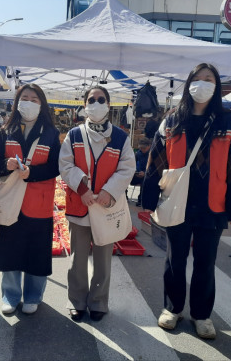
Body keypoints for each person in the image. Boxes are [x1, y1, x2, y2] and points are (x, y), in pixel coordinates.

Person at [142, 63, 231, 339]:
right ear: (189, 84)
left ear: (217, 86)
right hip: (178, 202)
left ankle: (202, 315)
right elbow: (156, 159)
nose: (203, 83)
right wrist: (149, 198)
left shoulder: (229, 122)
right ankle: (172, 308)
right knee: (174, 260)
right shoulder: (172, 120)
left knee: (205, 263)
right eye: (197, 79)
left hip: (213, 205)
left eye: (209, 79)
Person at [59, 86, 135, 322]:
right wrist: (82, 189)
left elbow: (127, 167)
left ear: (108, 105)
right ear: (85, 106)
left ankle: (99, 301)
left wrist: (109, 191)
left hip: (105, 207)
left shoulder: (121, 137)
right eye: (91, 100)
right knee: (78, 259)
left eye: (101, 100)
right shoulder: (74, 135)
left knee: (103, 258)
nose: (96, 103)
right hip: (80, 205)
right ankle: (77, 301)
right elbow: (65, 165)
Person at [0, 83, 60, 315]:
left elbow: (56, 167)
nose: (29, 103)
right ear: (17, 102)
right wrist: (5, 165)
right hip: (11, 201)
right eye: (25, 98)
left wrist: (33, 173)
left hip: (39, 201)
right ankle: (10, 295)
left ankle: (33, 296)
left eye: (34, 99)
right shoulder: (5, 130)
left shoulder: (51, 133)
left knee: (37, 252)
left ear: (42, 104)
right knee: (10, 249)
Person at [130, 137, 151, 207]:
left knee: (144, 180)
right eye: (140, 148)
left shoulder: (152, 154)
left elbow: (153, 168)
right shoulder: (138, 154)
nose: (142, 149)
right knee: (125, 177)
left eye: (144, 148)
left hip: (148, 175)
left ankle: (141, 200)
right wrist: (135, 172)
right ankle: (124, 196)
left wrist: (145, 173)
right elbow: (132, 165)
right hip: (137, 174)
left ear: (149, 146)